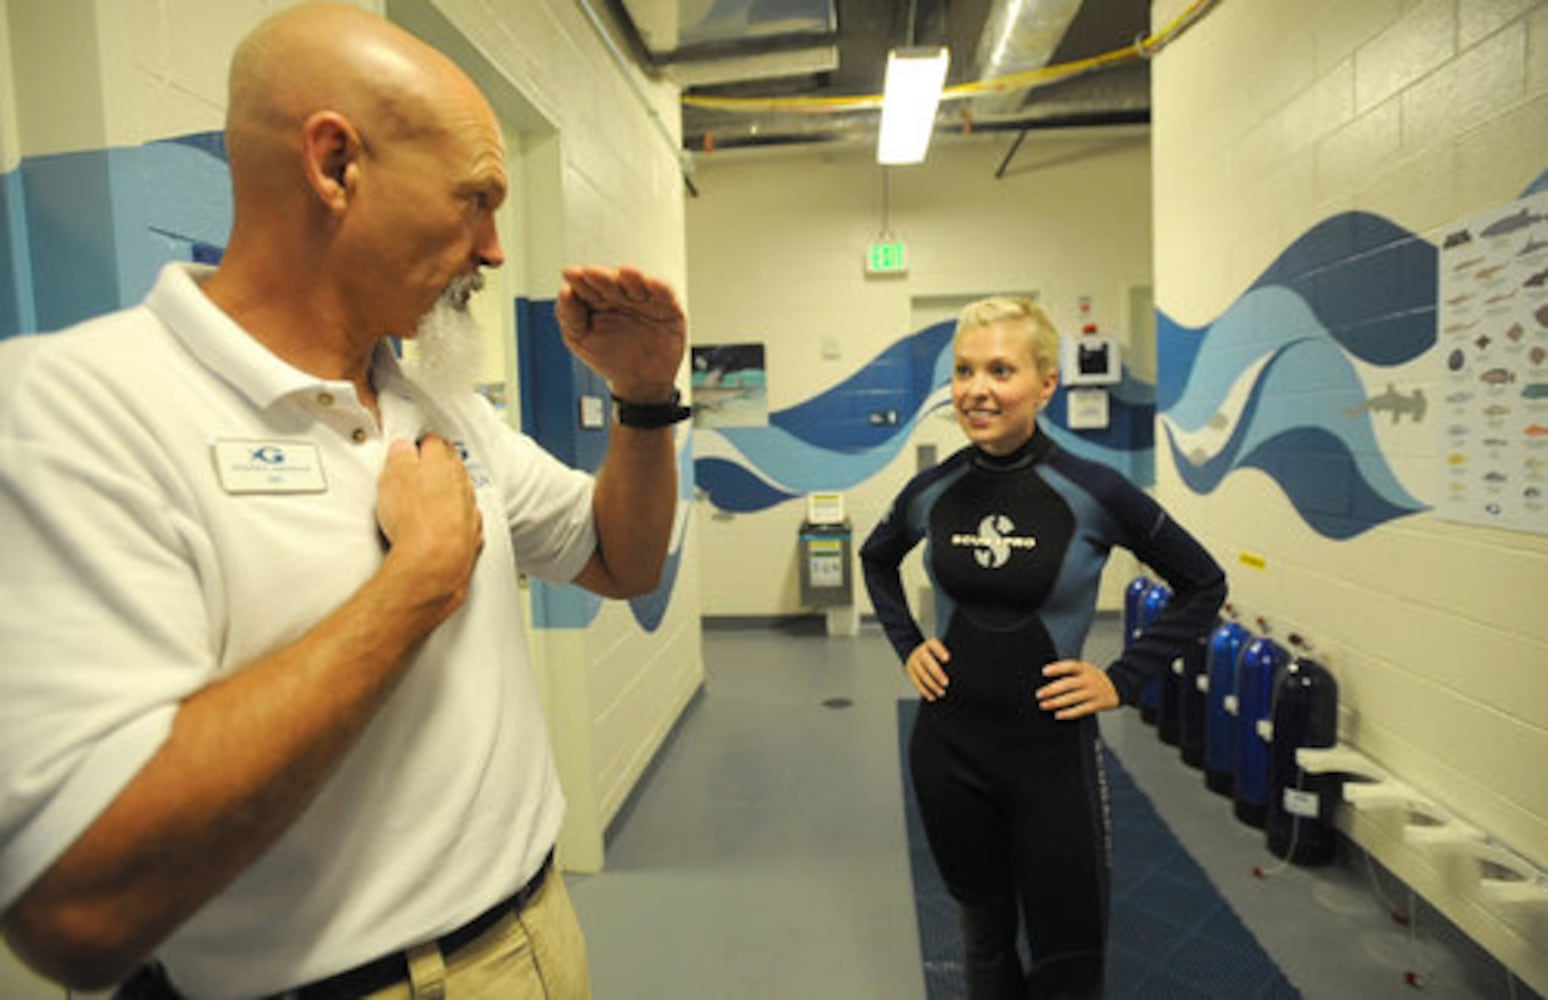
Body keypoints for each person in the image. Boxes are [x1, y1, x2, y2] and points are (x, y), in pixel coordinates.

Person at [0, 4, 688, 998]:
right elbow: (78, 912)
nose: (496, 250)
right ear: (335, 165)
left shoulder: (436, 404)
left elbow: (620, 560)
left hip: (533, 939)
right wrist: (414, 585)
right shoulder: (75, 410)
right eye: (476, 199)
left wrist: (646, 398)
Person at [860, 297, 1226, 999]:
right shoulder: (932, 490)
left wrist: (1123, 679)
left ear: (1046, 383)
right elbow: (877, 560)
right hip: (949, 756)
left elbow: (1202, 584)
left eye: (1001, 369)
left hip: (1050, 763)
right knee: (986, 945)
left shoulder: (1095, 490)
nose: (977, 389)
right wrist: (907, 643)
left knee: (1069, 963)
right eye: (964, 370)